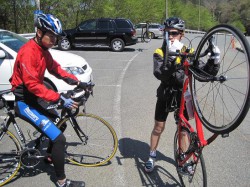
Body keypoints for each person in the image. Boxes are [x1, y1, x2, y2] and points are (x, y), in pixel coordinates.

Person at [10, 13, 88, 187]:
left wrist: (78, 82)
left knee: (60, 122)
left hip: (34, 97)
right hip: (24, 102)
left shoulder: (43, 51)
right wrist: (59, 97)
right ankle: (61, 182)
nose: (54, 40)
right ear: (39, 32)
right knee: (60, 139)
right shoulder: (29, 52)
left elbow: (56, 69)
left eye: (56, 37)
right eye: (51, 36)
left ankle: (51, 156)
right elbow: (32, 85)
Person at [144, 17, 220, 173]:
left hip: (182, 95)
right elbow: (160, 74)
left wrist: (215, 60)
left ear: (182, 35)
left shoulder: (189, 52)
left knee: (183, 128)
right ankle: (152, 155)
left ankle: (182, 157)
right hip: (166, 93)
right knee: (159, 127)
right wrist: (171, 59)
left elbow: (204, 73)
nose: (170, 37)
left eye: (174, 33)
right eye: (167, 33)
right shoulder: (159, 52)